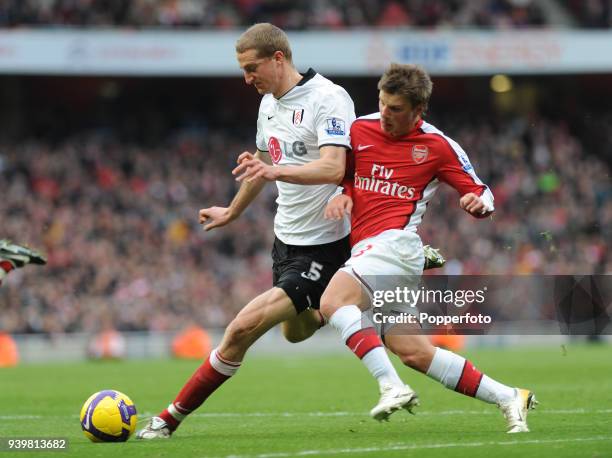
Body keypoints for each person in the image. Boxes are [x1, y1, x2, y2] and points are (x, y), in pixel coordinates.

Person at [137, 24, 443, 440]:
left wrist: (274, 170)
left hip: (325, 245)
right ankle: (332, 305)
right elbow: (262, 164)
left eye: (251, 68)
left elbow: (334, 167)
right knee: (295, 332)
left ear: (278, 58)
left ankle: (167, 419)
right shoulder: (268, 105)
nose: (247, 78)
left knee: (241, 329)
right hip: (287, 243)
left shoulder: (328, 98)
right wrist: (231, 211)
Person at [320, 63, 537, 433]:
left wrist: (480, 205)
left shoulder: (437, 145)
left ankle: (391, 387)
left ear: (419, 110)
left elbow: (480, 190)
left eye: (396, 109)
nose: (386, 115)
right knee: (414, 353)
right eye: (383, 104)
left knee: (332, 303)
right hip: (368, 251)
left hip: (396, 246)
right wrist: (343, 195)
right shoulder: (359, 130)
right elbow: (345, 175)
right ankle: (509, 395)